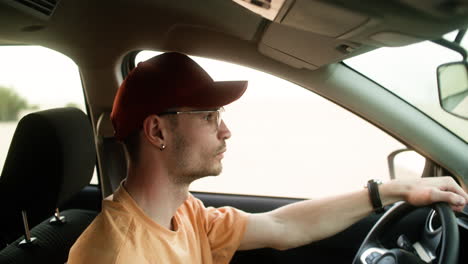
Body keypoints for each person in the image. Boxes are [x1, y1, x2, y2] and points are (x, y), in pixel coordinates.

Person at [68, 52, 468, 264]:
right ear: (157, 132)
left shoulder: (184, 215)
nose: (225, 131)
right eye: (209, 117)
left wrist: (393, 190)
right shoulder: (113, 254)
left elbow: (281, 225)